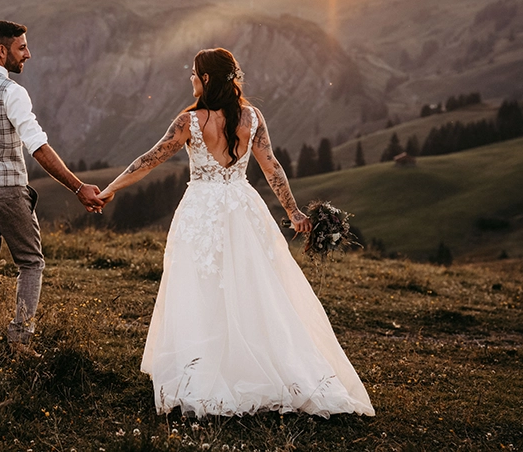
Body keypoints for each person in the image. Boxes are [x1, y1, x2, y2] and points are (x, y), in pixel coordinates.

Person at [98, 48, 374, 418]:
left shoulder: (189, 121)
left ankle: (203, 371)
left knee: (200, 287)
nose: (191, 78)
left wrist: (110, 188)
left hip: (201, 212)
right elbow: (271, 165)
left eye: (194, 73)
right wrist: (291, 211)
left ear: (207, 78)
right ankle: (259, 368)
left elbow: (150, 158)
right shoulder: (251, 117)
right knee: (253, 287)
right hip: (243, 208)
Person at [0, 20, 104, 356]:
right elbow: (38, 147)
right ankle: (20, 339)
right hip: (8, 191)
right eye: (22, 47)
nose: (28, 53)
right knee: (30, 262)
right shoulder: (12, 92)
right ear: (2, 51)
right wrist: (78, 187)